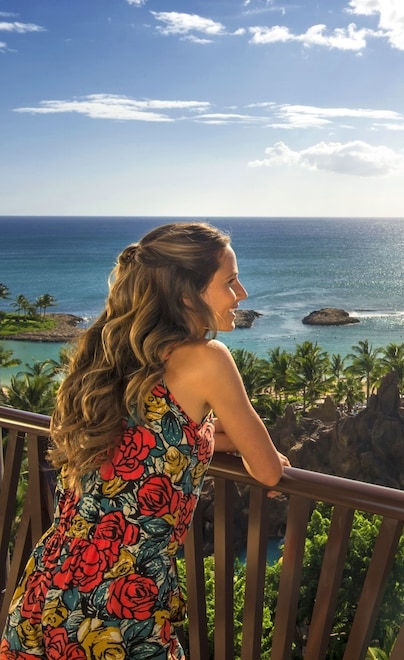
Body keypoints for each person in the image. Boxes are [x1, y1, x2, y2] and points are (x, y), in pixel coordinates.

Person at [0, 222, 289, 659]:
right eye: (229, 282)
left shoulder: (108, 352)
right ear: (187, 293)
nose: (242, 294)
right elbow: (268, 468)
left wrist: (211, 440)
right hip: (118, 606)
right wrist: (237, 445)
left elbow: (157, 435)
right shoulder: (207, 359)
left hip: (49, 585)